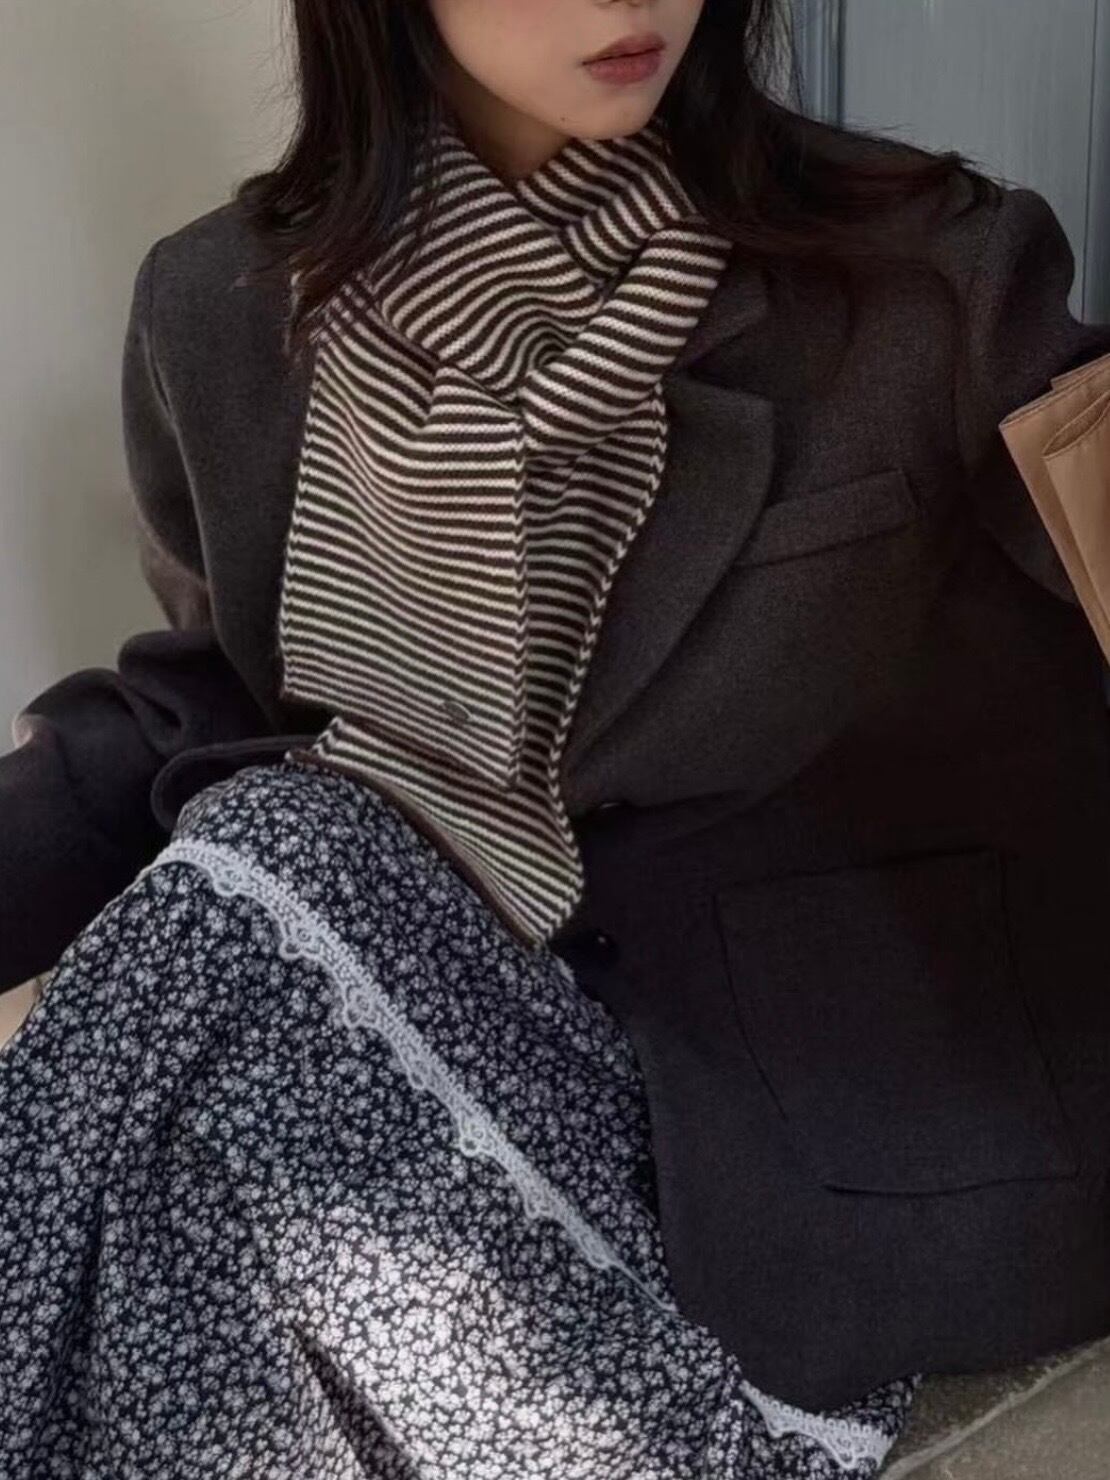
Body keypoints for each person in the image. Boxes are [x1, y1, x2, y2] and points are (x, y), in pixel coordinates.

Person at [3, 0, 1110, 1474]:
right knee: (221, 999)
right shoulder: (219, 307)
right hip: (435, 1069)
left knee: (261, 882)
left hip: (820, 1147)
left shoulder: (925, 270)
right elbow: (203, 704)